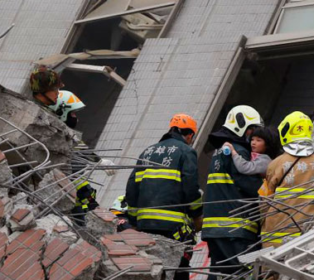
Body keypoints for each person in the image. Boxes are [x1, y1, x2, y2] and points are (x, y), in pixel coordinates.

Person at [29, 66, 116, 225]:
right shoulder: (40, 117)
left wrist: (96, 160)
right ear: (43, 92)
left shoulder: (43, 113)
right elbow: (72, 140)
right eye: (55, 89)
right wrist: (97, 161)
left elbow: (72, 140)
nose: (57, 92)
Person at [125, 113, 203, 280]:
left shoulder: (147, 152)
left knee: (152, 270)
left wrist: (133, 221)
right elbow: (191, 188)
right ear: (189, 135)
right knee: (178, 269)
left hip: (145, 225)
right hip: (172, 227)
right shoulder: (187, 151)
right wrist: (197, 214)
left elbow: (132, 189)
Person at [202, 105, 264, 279]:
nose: (255, 137)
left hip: (214, 229)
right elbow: (253, 188)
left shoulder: (219, 151)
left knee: (218, 273)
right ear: (244, 128)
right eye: (254, 130)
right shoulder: (239, 152)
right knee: (239, 274)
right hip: (235, 230)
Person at [260, 111, 314, 248]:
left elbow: (264, 200)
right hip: (307, 232)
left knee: (270, 268)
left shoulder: (277, 164)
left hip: (276, 233)